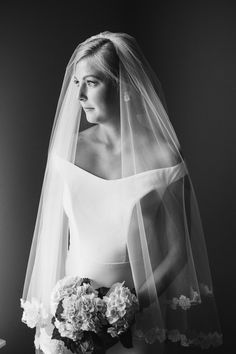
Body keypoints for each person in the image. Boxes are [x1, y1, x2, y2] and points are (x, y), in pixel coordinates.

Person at [21, 31, 223, 354]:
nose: (80, 97)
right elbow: (52, 244)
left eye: (92, 82)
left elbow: (177, 252)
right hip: (70, 320)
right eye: (77, 84)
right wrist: (60, 318)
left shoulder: (164, 158)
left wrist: (127, 307)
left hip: (133, 321)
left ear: (123, 85)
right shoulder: (68, 153)